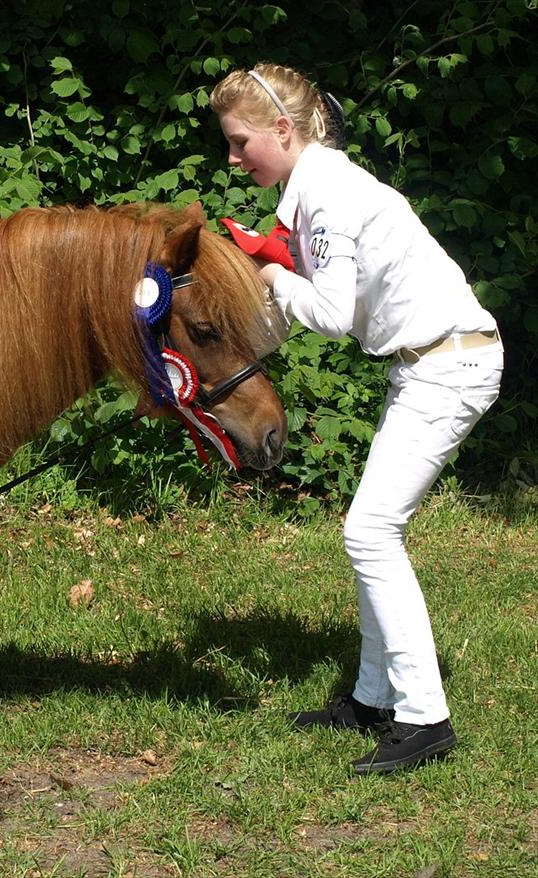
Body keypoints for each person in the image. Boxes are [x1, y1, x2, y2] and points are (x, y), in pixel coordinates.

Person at [210, 63, 504, 774]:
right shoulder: (310, 190)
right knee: (373, 530)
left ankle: (425, 717)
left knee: (369, 533)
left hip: (452, 365)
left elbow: (333, 315)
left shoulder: (332, 193)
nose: (232, 156)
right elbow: (286, 316)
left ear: (283, 130)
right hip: (425, 364)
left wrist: (273, 274)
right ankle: (374, 698)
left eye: (241, 140)